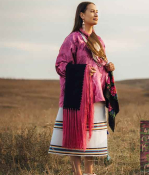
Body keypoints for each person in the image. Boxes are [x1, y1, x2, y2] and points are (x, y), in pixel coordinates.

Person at [48, 2, 115, 175]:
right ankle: (77, 173)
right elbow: (60, 65)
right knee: (75, 135)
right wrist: (83, 71)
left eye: (97, 12)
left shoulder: (99, 41)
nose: (96, 14)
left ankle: (89, 173)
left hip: (96, 95)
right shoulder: (73, 39)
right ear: (81, 15)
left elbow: (100, 65)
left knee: (91, 138)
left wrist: (107, 68)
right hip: (77, 96)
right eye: (92, 11)